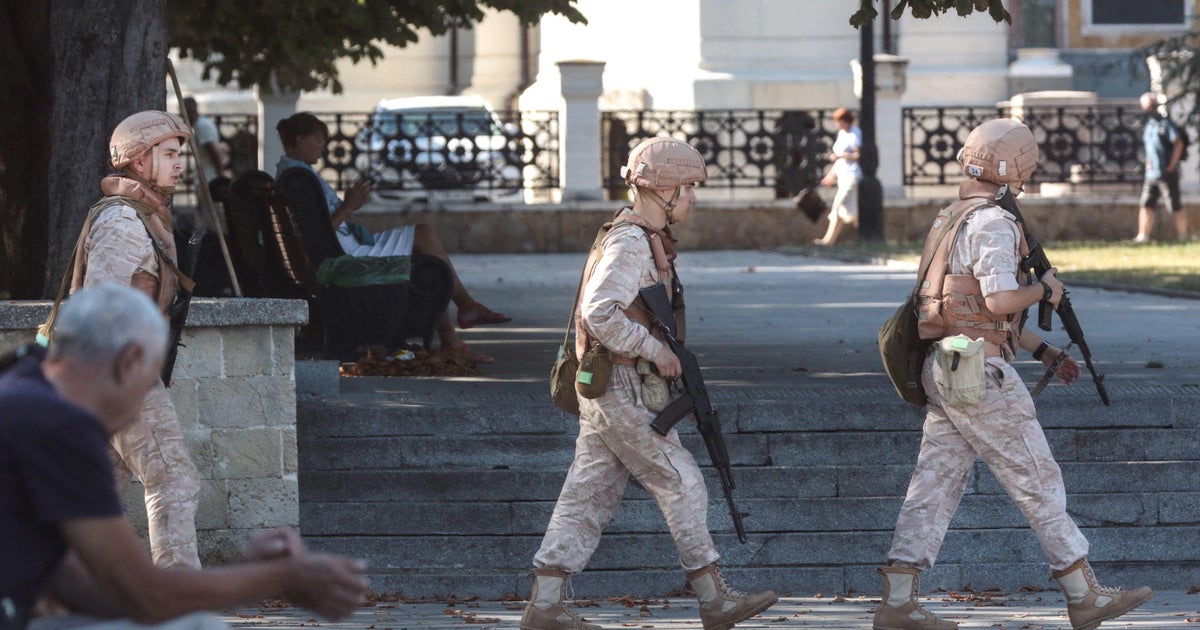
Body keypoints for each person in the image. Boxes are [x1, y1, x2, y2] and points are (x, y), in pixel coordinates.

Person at [873, 119, 1153, 630]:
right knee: (1037, 478)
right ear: (1017, 168)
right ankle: (1082, 593)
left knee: (933, 485)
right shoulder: (994, 223)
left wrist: (1043, 351)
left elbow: (969, 307)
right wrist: (1046, 291)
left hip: (947, 365)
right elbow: (1001, 300)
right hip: (982, 375)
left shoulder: (951, 218)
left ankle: (897, 600)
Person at [1, 283, 369, 630]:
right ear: (129, 361)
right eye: (147, 387)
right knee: (199, 627)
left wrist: (243, 576)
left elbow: (87, 587)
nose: (134, 415)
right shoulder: (57, 425)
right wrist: (280, 577)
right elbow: (148, 596)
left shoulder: (23, 388)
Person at [521, 137, 778, 630]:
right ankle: (713, 598)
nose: (694, 200)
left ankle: (546, 604)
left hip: (616, 383)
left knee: (588, 492)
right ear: (668, 188)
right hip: (621, 383)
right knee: (680, 479)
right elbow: (599, 312)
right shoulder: (630, 241)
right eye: (691, 189)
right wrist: (655, 349)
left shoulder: (641, 236)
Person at [69, 110, 202, 568]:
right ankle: (179, 595)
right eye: (168, 154)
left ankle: (62, 593)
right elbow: (99, 311)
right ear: (139, 162)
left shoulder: (144, 216)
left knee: (99, 490)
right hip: (117, 376)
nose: (179, 162)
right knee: (174, 479)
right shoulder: (124, 222)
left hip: (115, 376)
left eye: (179, 153)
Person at [274, 112, 509, 363]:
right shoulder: (299, 179)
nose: (323, 147)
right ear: (299, 141)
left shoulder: (294, 175)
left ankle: (458, 326)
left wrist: (348, 205)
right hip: (344, 255)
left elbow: (315, 231)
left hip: (339, 247)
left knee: (426, 250)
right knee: (424, 236)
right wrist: (349, 207)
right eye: (318, 140)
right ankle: (462, 318)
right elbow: (316, 236)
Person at [1133, 92, 1188, 243]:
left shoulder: (1166, 124)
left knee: (1174, 205)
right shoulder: (1149, 126)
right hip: (1151, 174)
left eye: (1150, 106)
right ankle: (1143, 236)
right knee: (1146, 204)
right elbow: (1150, 148)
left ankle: (1183, 236)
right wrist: (1148, 163)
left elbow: (1178, 143)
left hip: (1167, 172)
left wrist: (1172, 164)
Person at [813, 107, 862, 246]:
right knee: (844, 209)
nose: (837, 124)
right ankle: (829, 240)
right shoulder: (842, 134)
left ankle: (861, 236)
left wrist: (841, 155)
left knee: (839, 205)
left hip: (852, 175)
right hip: (842, 175)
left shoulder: (855, 134)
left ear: (845, 121)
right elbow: (839, 161)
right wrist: (830, 176)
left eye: (839, 121)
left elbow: (858, 155)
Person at [183, 97, 226, 184]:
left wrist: (220, 174)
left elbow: (213, 150)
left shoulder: (201, 126)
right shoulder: (202, 123)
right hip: (207, 175)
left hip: (208, 177)